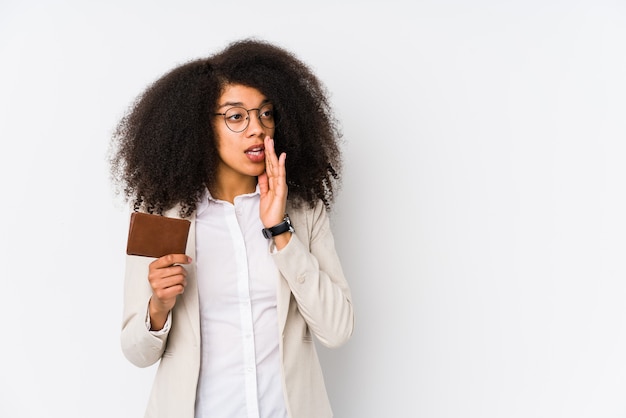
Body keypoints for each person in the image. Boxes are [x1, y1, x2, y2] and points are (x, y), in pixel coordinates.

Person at [109, 38, 354, 418]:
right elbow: (136, 352)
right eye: (236, 116)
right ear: (200, 127)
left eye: (266, 114)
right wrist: (158, 307)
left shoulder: (303, 212)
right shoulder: (162, 216)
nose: (258, 129)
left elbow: (337, 330)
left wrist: (280, 231)